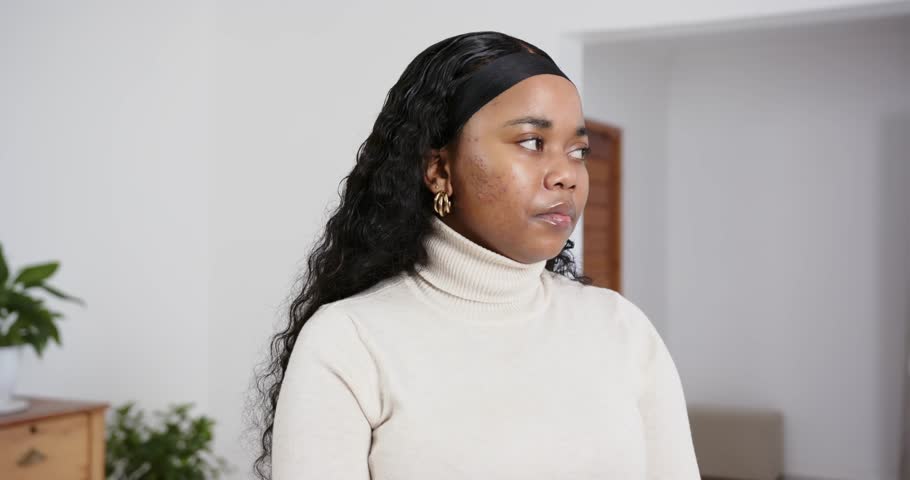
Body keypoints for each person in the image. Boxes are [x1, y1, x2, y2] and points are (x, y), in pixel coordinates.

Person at [254, 31, 700, 479]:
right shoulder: (350, 343)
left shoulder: (622, 330)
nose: (567, 174)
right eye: (531, 142)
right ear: (440, 169)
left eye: (578, 151)